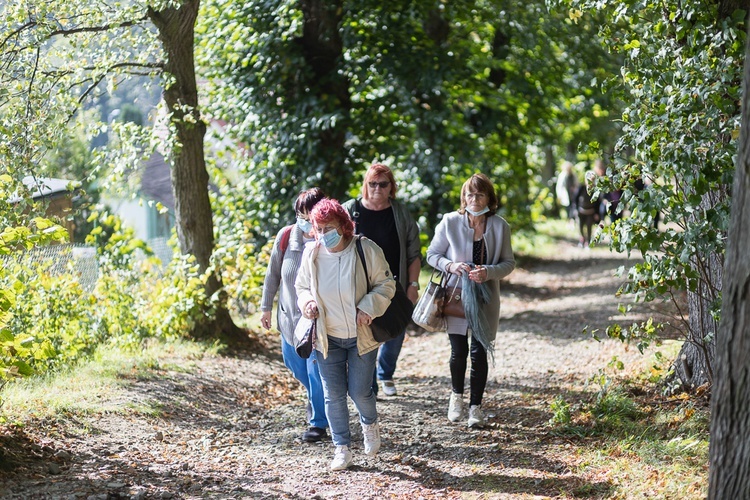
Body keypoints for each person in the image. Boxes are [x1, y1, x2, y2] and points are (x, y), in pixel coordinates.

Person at [295, 198, 396, 471]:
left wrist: (368, 307)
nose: (324, 233)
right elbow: (301, 286)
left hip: (361, 335)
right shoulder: (311, 254)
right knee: (333, 394)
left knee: (360, 391)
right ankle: (341, 448)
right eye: (319, 228)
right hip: (328, 337)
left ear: (344, 225)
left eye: (330, 227)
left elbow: (386, 284)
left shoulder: (365, 249)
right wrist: (307, 304)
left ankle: (369, 424)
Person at [426, 173, 515, 428]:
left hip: (486, 299)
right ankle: (456, 397)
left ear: (489, 198)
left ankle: (476, 407)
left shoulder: (500, 226)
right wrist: (451, 265)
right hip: (456, 297)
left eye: (480, 194)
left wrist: (488, 272)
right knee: (458, 352)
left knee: (479, 352)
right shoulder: (449, 222)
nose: (474, 199)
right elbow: (432, 254)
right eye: (470, 194)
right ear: (463, 198)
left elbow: (509, 263)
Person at [343, 163, 421, 397]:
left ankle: (385, 374)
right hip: (358, 288)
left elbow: (413, 253)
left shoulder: (400, 213)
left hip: (394, 286)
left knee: (395, 332)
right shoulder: (351, 210)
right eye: (372, 183)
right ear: (365, 185)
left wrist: (413, 286)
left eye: (383, 184)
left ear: (391, 187)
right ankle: (370, 384)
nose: (377, 188)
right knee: (365, 335)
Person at [260, 188, 329, 443]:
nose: (304, 218)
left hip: (318, 322)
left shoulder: (330, 237)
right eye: (299, 213)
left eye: (308, 213)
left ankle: (318, 423)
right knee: (297, 368)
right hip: (289, 319)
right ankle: (326, 402)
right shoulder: (287, 236)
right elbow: (273, 275)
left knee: (315, 371)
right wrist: (265, 307)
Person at [574, 169, 601, 248]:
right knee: (580, 227)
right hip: (581, 212)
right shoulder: (581, 188)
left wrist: (597, 213)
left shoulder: (595, 190)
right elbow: (575, 200)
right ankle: (582, 239)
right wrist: (575, 210)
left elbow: (598, 203)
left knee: (589, 227)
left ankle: (588, 242)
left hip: (591, 212)